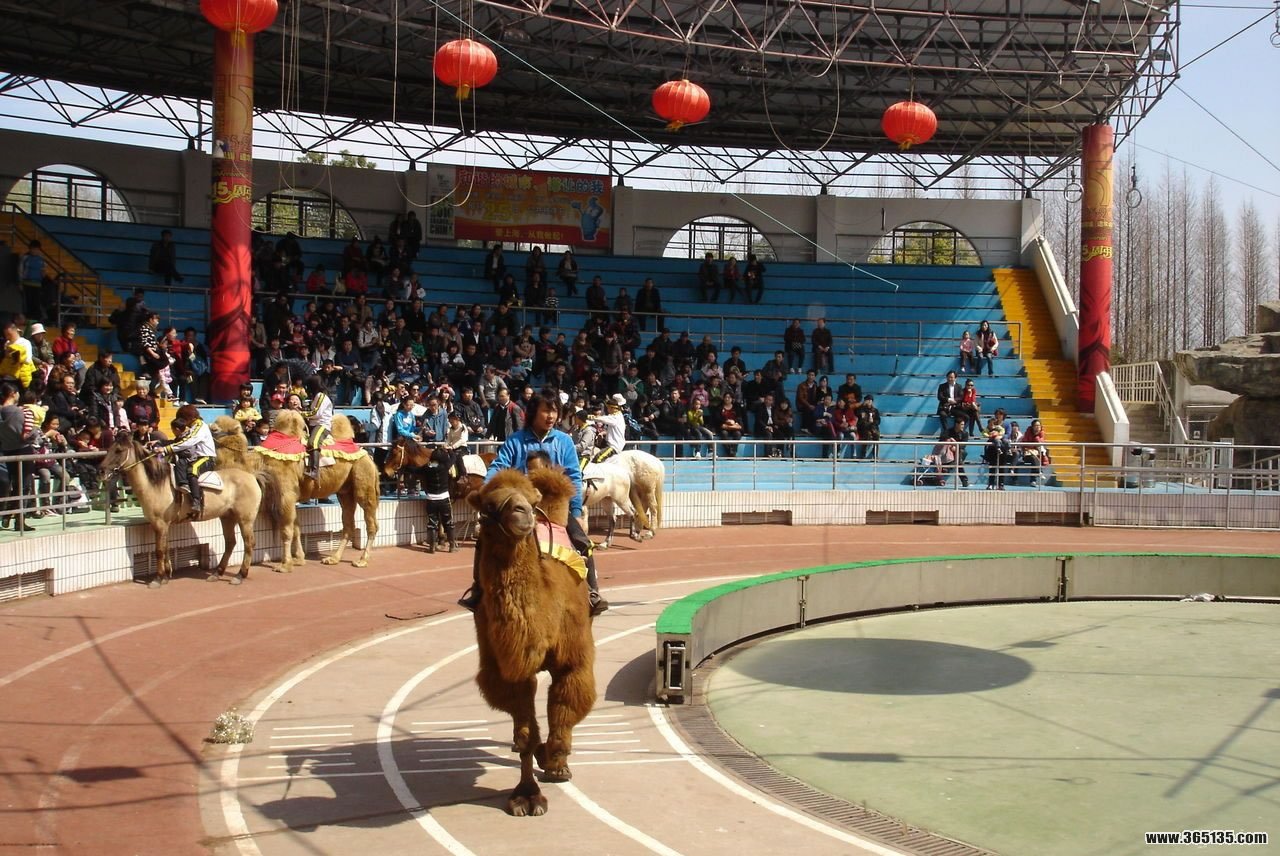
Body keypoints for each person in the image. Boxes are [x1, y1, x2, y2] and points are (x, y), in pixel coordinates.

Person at [458, 394, 608, 615]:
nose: (551, 416)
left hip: (555, 507)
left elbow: (574, 476)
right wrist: (486, 491)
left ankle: (592, 592)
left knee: (582, 542)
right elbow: (499, 466)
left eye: (554, 411)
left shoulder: (564, 441)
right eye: (546, 410)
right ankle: (478, 590)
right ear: (533, 413)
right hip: (520, 509)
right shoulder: (515, 441)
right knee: (484, 537)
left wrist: (576, 511)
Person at [153, 404, 215, 518]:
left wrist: (166, 449)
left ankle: (196, 501)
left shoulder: (199, 426)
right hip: (195, 458)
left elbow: (188, 442)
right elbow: (179, 441)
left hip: (205, 458)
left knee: (192, 470)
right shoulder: (193, 427)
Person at [0, 381, 39, 530]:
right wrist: (35, 430)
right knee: (24, 486)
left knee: (15, 484)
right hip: (23, 450)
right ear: (13, 394)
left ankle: (8, 514)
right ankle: (18, 519)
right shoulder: (20, 412)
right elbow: (27, 435)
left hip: (7, 450)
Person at [418, 445, 457, 554]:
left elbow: (415, 470)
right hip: (444, 498)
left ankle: (432, 547)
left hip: (431, 499)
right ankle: (452, 546)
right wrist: (450, 450)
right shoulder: (445, 465)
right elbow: (454, 458)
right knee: (448, 522)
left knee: (432, 523)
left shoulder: (427, 467)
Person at [301, 375, 334, 480]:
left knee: (313, 442)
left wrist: (301, 413)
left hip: (322, 425)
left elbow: (316, 413)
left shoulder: (321, 396)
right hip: (313, 425)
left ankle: (314, 471)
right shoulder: (316, 397)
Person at [18, 240, 45, 317]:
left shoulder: (41, 259)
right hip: (27, 283)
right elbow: (20, 271)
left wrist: (42, 275)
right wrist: (20, 283)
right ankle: (28, 317)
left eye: (36, 249)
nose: (34, 251)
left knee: (36, 302)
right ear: (30, 249)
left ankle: (36, 318)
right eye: (33, 249)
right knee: (28, 302)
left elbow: (43, 270)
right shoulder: (25, 258)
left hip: (37, 284)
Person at [854, 394, 882, 460]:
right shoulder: (861, 409)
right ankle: (863, 454)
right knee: (867, 435)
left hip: (873, 428)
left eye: (870, 400)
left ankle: (875, 454)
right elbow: (856, 413)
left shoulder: (875, 410)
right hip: (863, 428)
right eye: (868, 400)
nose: (869, 401)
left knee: (876, 434)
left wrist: (873, 421)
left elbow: (878, 421)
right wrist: (862, 405)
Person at [936, 370, 962, 437]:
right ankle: (947, 432)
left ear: (955, 378)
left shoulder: (959, 386)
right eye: (948, 377)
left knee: (963, 416)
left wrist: (954, 401)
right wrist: (948, 400)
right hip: (944, 407)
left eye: (951, 377)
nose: (950, 379)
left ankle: (957, 432)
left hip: (955, 407)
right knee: (943, 415)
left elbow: (961, 397)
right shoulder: (942, 386)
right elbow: (939, 396)